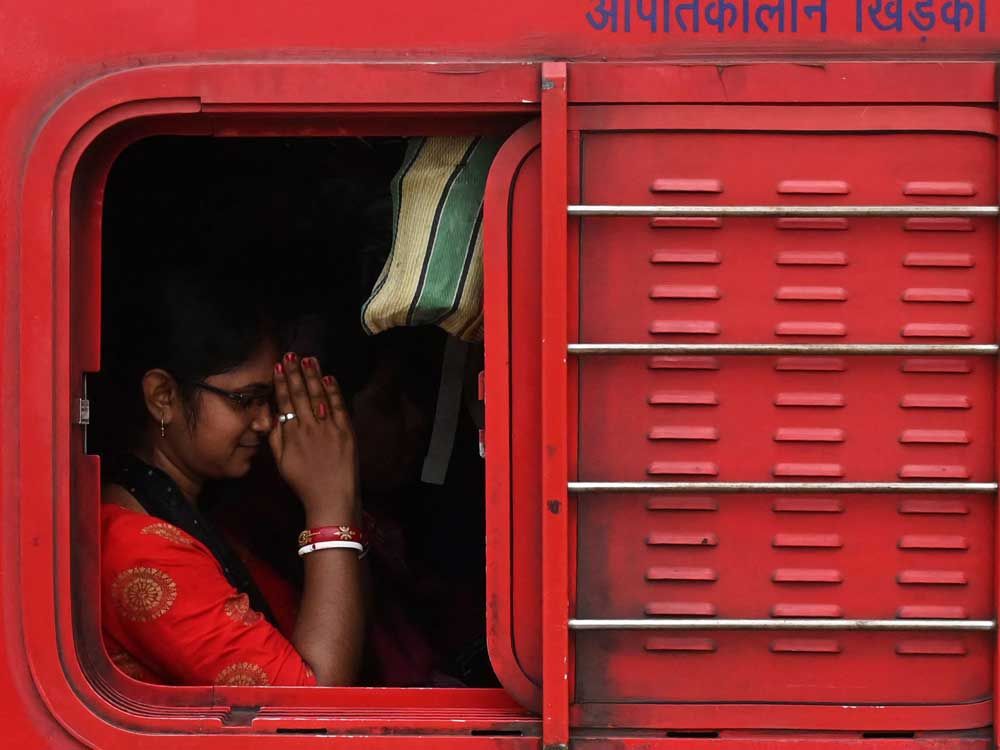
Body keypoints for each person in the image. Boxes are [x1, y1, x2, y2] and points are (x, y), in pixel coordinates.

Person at [100, 270, 364, 687]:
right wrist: (330, 504)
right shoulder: (140, 552)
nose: (265, 421)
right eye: (245, 400)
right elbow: (310, 709)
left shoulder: (210, 505)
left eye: (271, 401)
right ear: (163, 397)